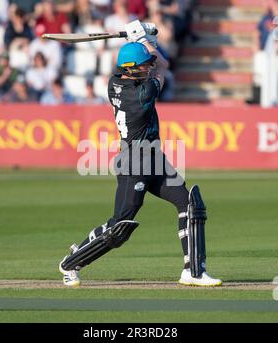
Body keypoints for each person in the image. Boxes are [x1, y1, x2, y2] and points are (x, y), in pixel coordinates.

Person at [58, 20, 222, 287]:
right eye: (145, 65)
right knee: (120, 227)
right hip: (134, 161)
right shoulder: (140, 96)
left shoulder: (114, 83)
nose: (150, 68)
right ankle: (71, 262)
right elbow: (164, 69)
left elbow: (153, 65)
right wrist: (147, 41)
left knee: (189, 204)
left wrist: (140, 42)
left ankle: (193, 271)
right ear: (132, 70)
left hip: (154, 157)